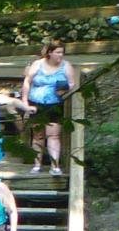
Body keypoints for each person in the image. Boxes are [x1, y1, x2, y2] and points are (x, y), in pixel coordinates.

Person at [19, 40, 82, 176]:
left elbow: (72, 84)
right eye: (58, 52)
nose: (60, 55)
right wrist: (24, 101)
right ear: (50, 53)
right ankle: (37, 165)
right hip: (35, 103)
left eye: (62, 53)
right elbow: (27, 81)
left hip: (54, 104)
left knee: (53, 135)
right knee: (38, 136)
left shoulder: (66, 66)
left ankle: (55, 166)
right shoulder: (37, 64)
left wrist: (64, 90)